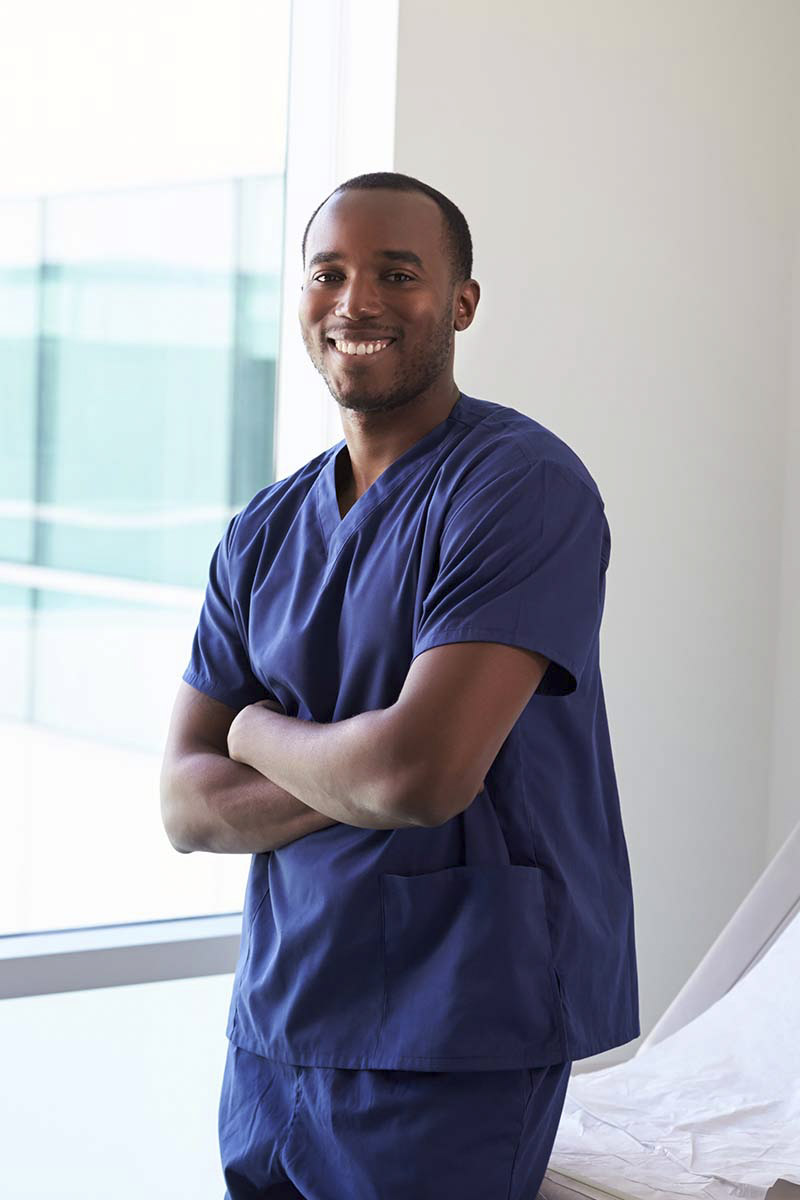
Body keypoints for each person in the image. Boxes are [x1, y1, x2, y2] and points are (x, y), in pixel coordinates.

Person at [160, 171, 640, 1200]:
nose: (354, 301)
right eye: (326, 272)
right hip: (278, 1024)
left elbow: (417, 779)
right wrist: (360, 765)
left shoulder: (518, 487)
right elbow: (183, 804)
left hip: (455, 1024)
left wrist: (250, 729)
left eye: (395, 273)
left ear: (460, 302)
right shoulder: (263, 530)